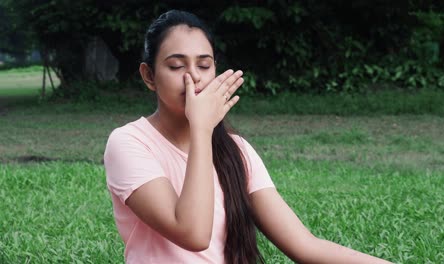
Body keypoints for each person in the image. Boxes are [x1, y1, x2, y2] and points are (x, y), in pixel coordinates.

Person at [103, 10, 392, 264]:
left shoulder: (236, 149)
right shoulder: (128, 142)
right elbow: (192, 233)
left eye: (204, 66)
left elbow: (306, 247)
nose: (193, 77)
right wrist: (201, 128)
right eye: (177, 66)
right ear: (149, 76)